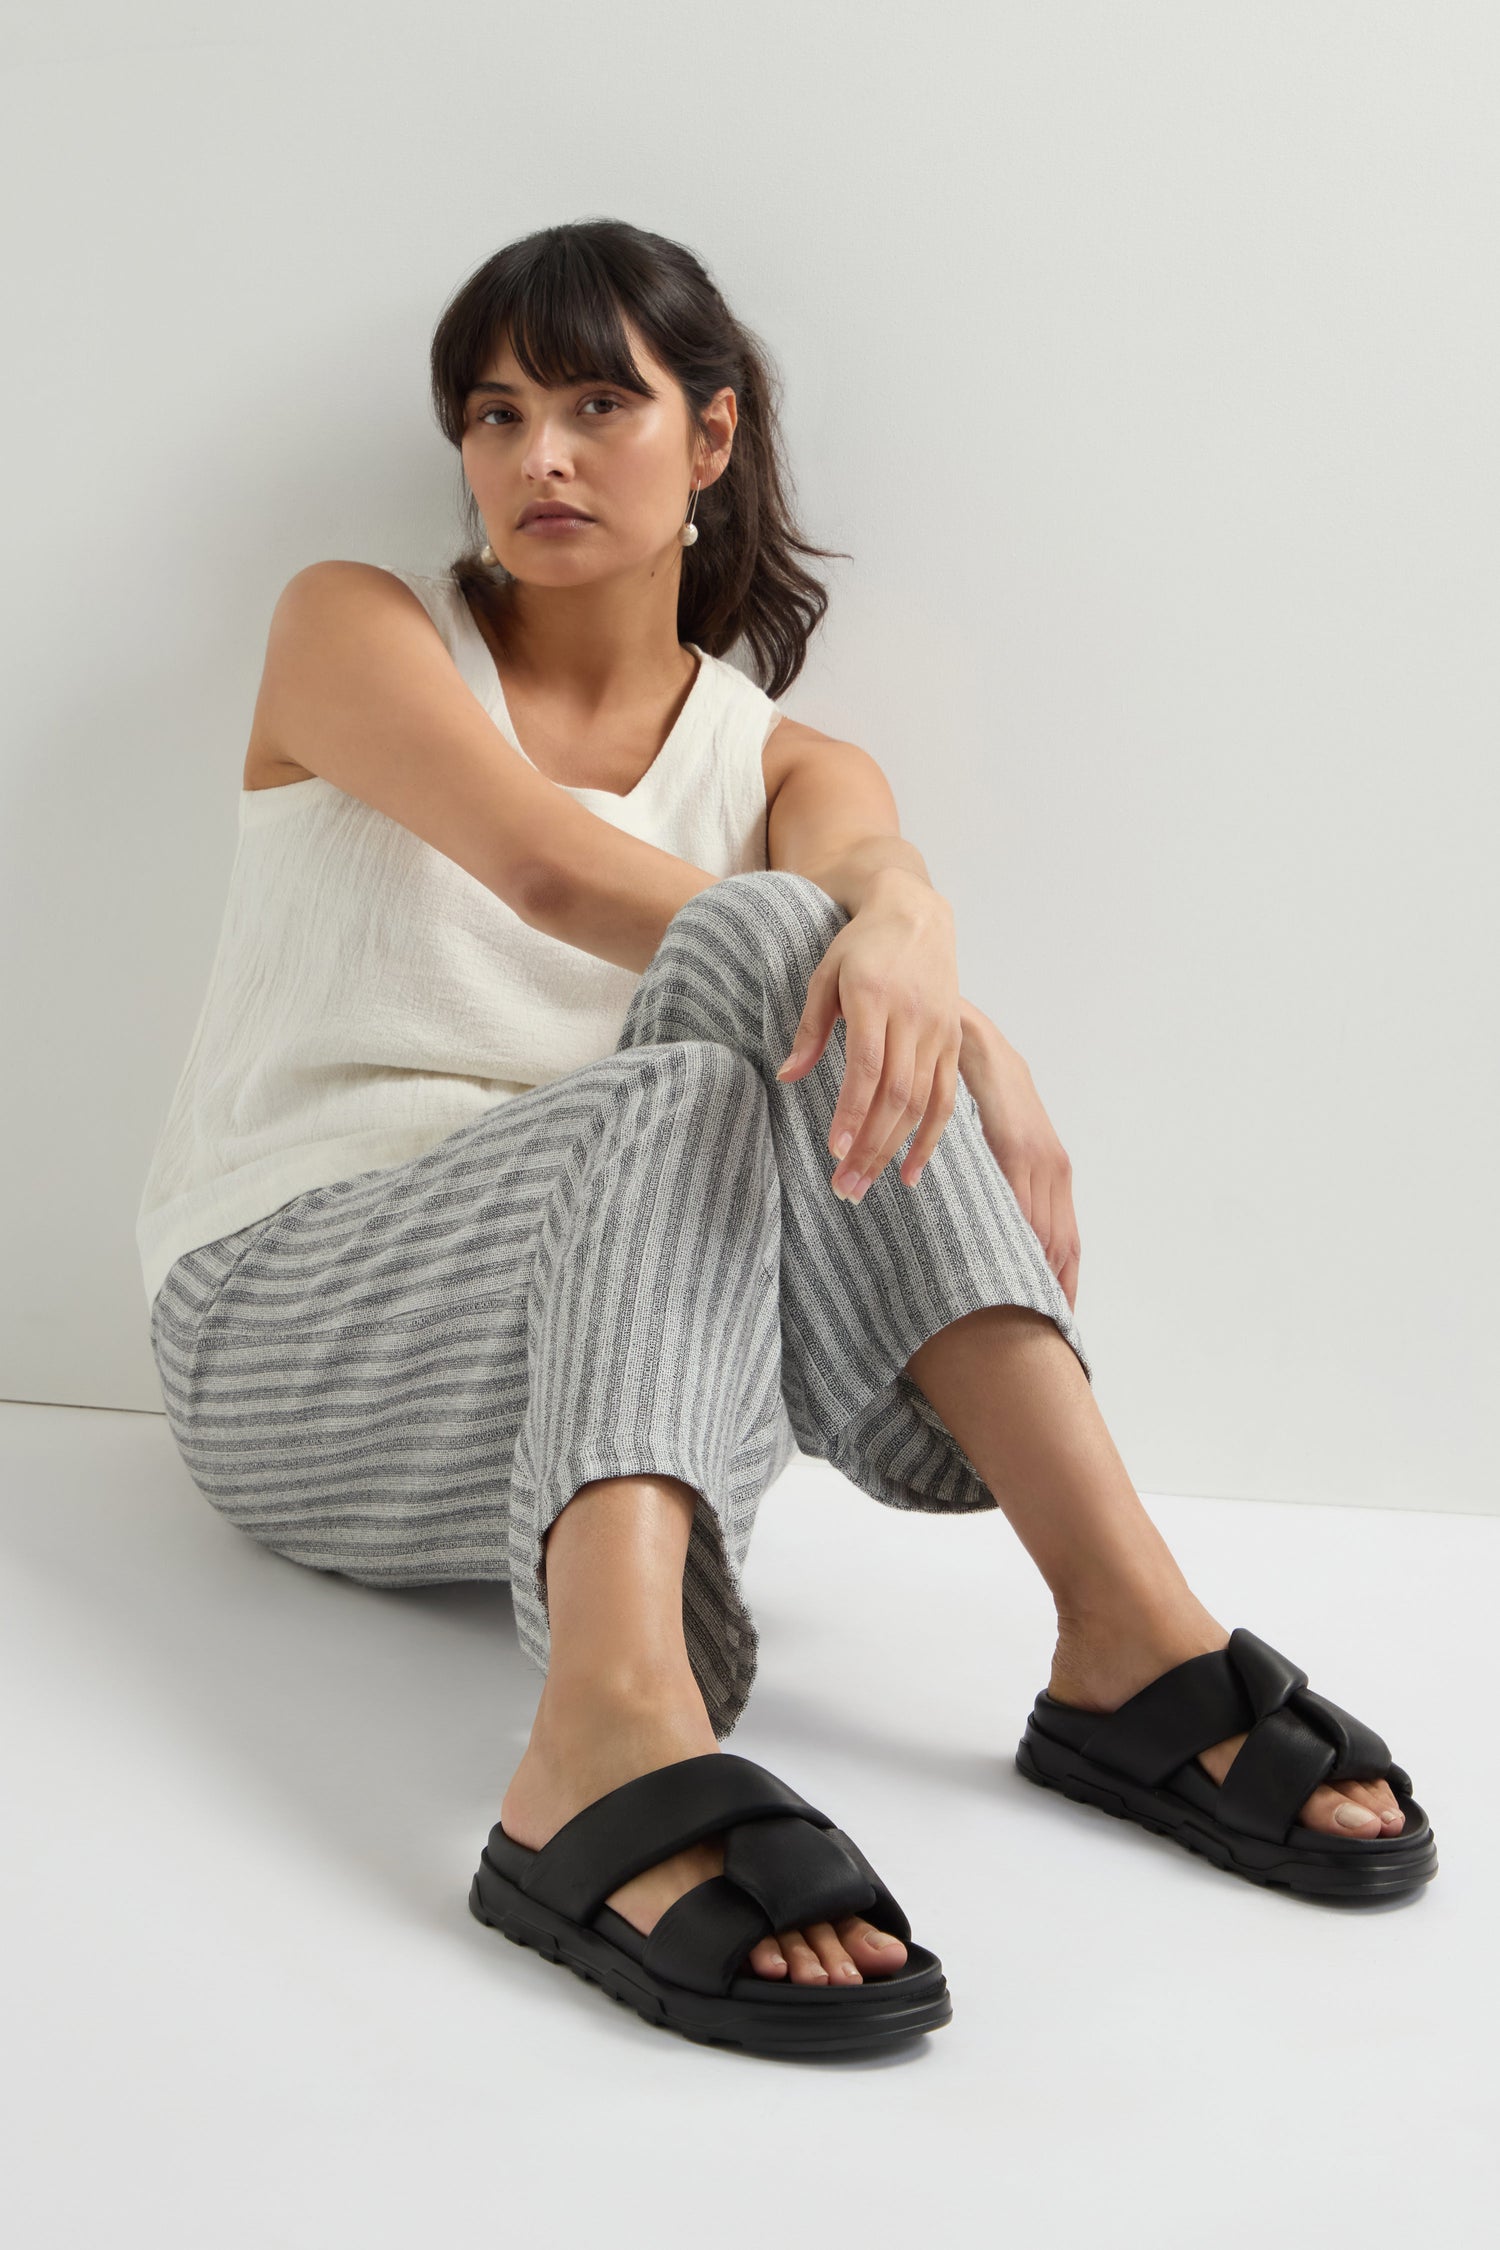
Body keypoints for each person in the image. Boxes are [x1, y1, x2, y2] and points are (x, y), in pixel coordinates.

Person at [138, 219, 1432, 2059]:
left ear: (715, 437)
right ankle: (611, 1727)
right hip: (296, 1331)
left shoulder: (789, 764)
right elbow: (541, 860)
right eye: (496, 417)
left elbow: (861, 880)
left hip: (635, 1386)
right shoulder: (356, 626)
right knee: (760, 956)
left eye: (601, 404)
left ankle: (1124, 1637)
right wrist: (951, 1012)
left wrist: (912, 924)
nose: (541, 459)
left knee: (790, 956)